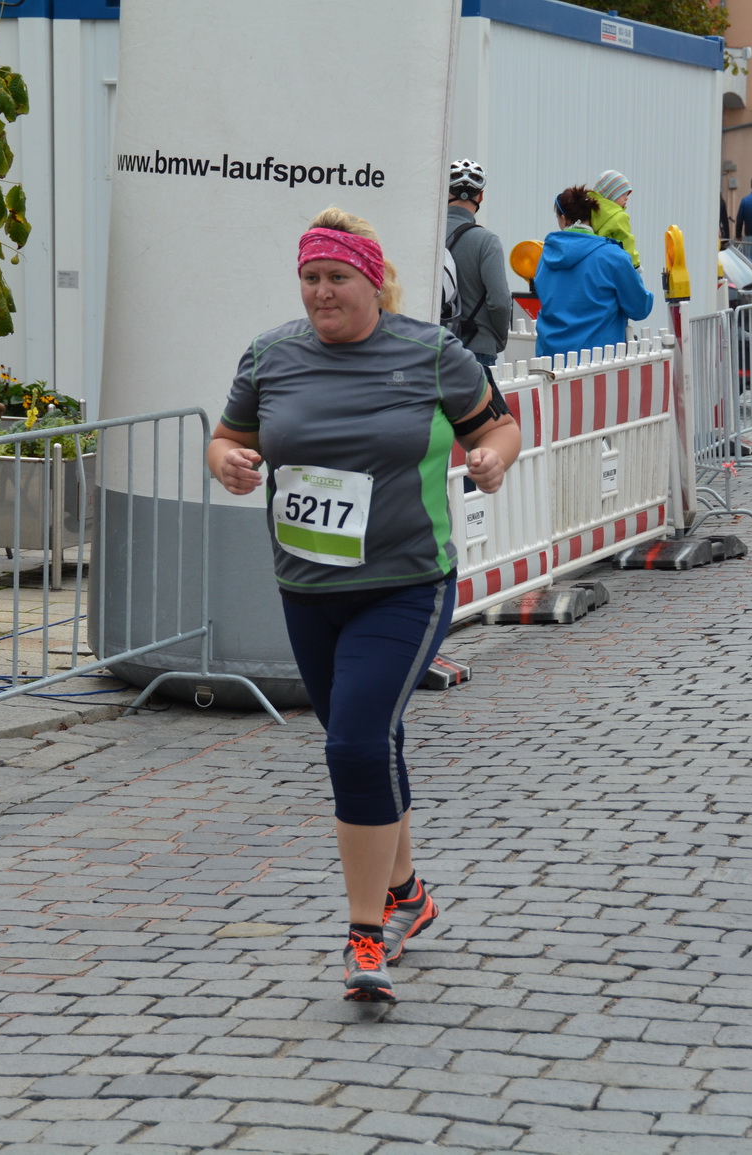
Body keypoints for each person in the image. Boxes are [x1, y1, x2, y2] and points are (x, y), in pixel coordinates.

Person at [209, 208, 520, 1003]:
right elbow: (226, 435)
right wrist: (230, 464)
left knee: (353, 743)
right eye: (310, 278)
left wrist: (489, 458)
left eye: (336, 278)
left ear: (374, 281)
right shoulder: (272, 354)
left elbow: (501, 425)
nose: (321, 292)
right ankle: (410, 890)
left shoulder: (429, 351)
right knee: (368, 738)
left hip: (408, 580)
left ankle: (365, 935)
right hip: (308, 586)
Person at [533, 186, 655, 360]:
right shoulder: (614, 257)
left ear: (562, 218)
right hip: (598, 364)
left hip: (551, 360)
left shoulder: (546, 257)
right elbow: (639, 308)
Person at [444, 160, 513, 369]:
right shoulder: (486, 241)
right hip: (477, 348)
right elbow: (500, 301)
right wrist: (497, 339)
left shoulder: (427, 235)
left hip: (431, 345)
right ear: (480, 196)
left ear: (446, 193)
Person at [589, 170, 639, 270]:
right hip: (612, 266)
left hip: (592, 263)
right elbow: (627, 242)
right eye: (623, 194)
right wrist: (635, 266)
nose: (626, 198)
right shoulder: (619, 217)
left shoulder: (588, 210)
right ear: (611, 194)